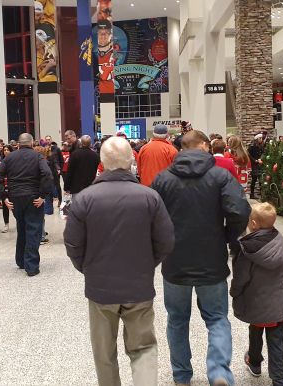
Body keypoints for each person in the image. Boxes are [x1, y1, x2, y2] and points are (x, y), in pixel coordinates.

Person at [64, 137, 175, 386]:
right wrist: (147, 264)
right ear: (132, 160)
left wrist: (88, 268)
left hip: (100, 288)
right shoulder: (150, 197)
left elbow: (73, 244)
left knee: (104, 352)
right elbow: (166, 241)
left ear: (101, 163)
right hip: (139, 286)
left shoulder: (85, 199)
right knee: (143, 347)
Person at [151, 130, 251, 386]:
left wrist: (161, 246)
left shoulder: (163, 179)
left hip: (175, 261)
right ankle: (218, 372)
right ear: (205, 146)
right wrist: (228, 237)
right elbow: (240, 210)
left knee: (177, 320)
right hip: (212, 259)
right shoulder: (220, 176)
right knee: (217, 318)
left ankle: (182, 375)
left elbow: (150, 217)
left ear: (181, 149)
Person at [232, 202, 283, 386]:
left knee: (255, 332)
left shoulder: (248, 248)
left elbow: (241, 276)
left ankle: (255, 362)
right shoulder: (279, 241)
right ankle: (279, 378)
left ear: (253, 224)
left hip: (255, 302)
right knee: (277, 340)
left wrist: (235, 292)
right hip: (277, 303)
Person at [0, 133, 53, 277]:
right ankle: (31, 266)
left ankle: (21, 260)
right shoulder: (38, 157)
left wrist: (4, 196)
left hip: (15, 198)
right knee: (33, 229)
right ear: (32, 143)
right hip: (33, 197)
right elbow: (47, 174)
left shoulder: (9, 157)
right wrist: (43, 195)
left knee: (21, 227)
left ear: (18, 144)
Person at [248, 134, 265, 199]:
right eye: (260, 138)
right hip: (254, 165)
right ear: (257, 139)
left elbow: (263, 153)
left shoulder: (262, 146)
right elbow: (249, 155)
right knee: (254, 180)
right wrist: (255, 160)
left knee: (261, 180)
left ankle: (262, 194)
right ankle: (252, 194)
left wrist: (261, 159)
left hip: (260, 164)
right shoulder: (252, 146)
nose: (261, 139)